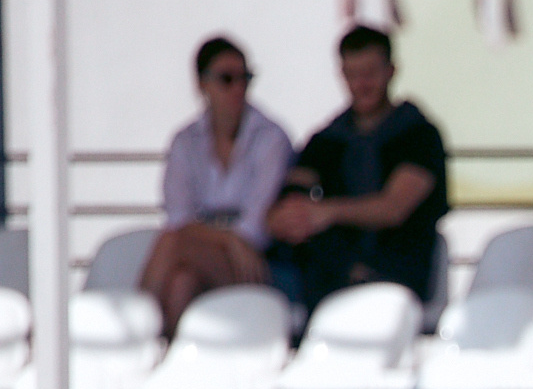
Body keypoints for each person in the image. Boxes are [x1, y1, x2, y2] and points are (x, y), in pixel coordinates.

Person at [266, 25, 450, 313]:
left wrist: (327, 212)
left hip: (399, 275)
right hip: (331, 279)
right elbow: (288, 199)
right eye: (353, 75)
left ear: (391, 70)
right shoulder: (327, 140)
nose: (362, 84)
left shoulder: (418, 135)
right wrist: (294, 216)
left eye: (370, 73)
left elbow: (393, 208)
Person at [140, 37, 295, 337]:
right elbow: (178, 216)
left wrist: (225, 239)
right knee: (180, 283)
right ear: (202, 85)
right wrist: (228, 240)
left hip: (259, 264)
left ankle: (136, 341)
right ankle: (174, 365)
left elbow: (254, 229)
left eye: (245, 79)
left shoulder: (270, 137)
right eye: (226, 79)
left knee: (172, 244)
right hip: (215, 258)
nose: (238, 89)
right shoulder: (185, 141)